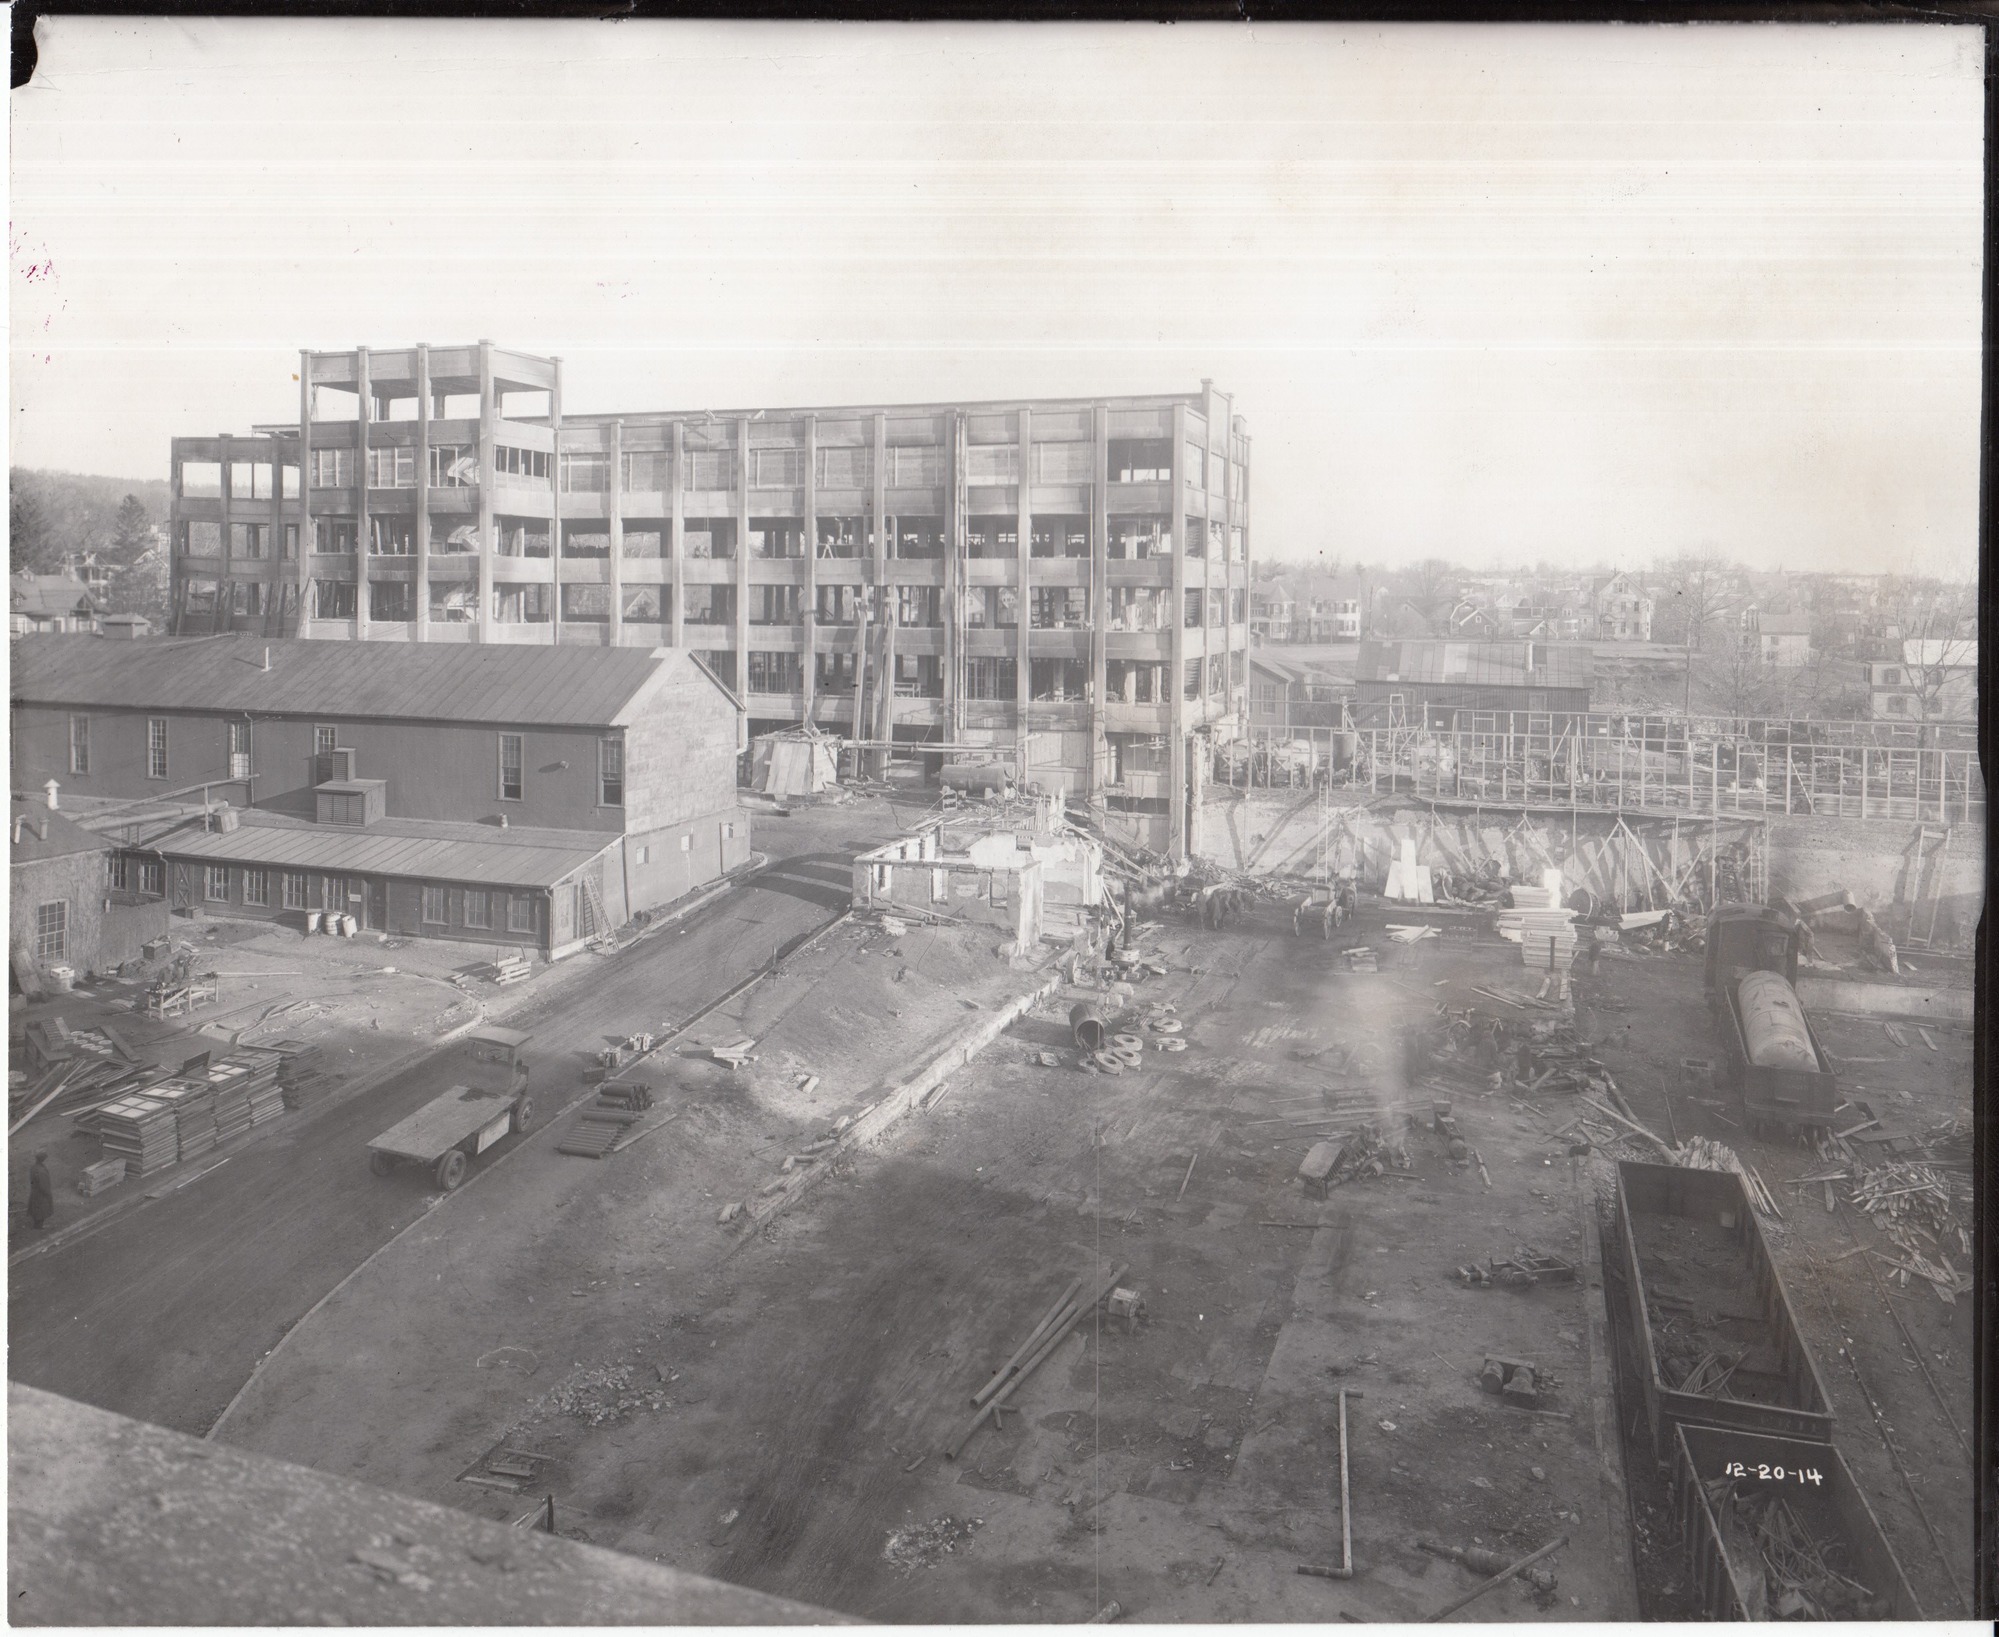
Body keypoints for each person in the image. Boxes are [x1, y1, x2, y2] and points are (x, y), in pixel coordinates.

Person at [26, 1151, 54, 1232]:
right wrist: (48, 1194)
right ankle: (39, 1226)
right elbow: (43, 1185)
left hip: (35, 1192)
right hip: (41, 1194)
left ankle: (37, 1225)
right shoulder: (41, 1171)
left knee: (36, 1210)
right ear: (43, 1160)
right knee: (42, 1211)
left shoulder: (34, 1167)